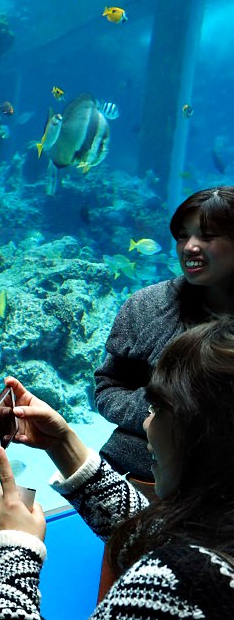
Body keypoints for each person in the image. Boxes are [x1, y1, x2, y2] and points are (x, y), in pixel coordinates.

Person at [0, 317, 234, 620]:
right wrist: (64, 445)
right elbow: (162, 543)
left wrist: (12, 549)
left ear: (206, 439)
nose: (144, 423)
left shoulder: (181, 592)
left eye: (158, 408)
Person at [96, 186, 234, 483]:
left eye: (207, 236)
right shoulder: (146, 306)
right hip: (137, 471)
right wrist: (164, 416)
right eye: (183, 235)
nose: (189, 247)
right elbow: (108, 387)